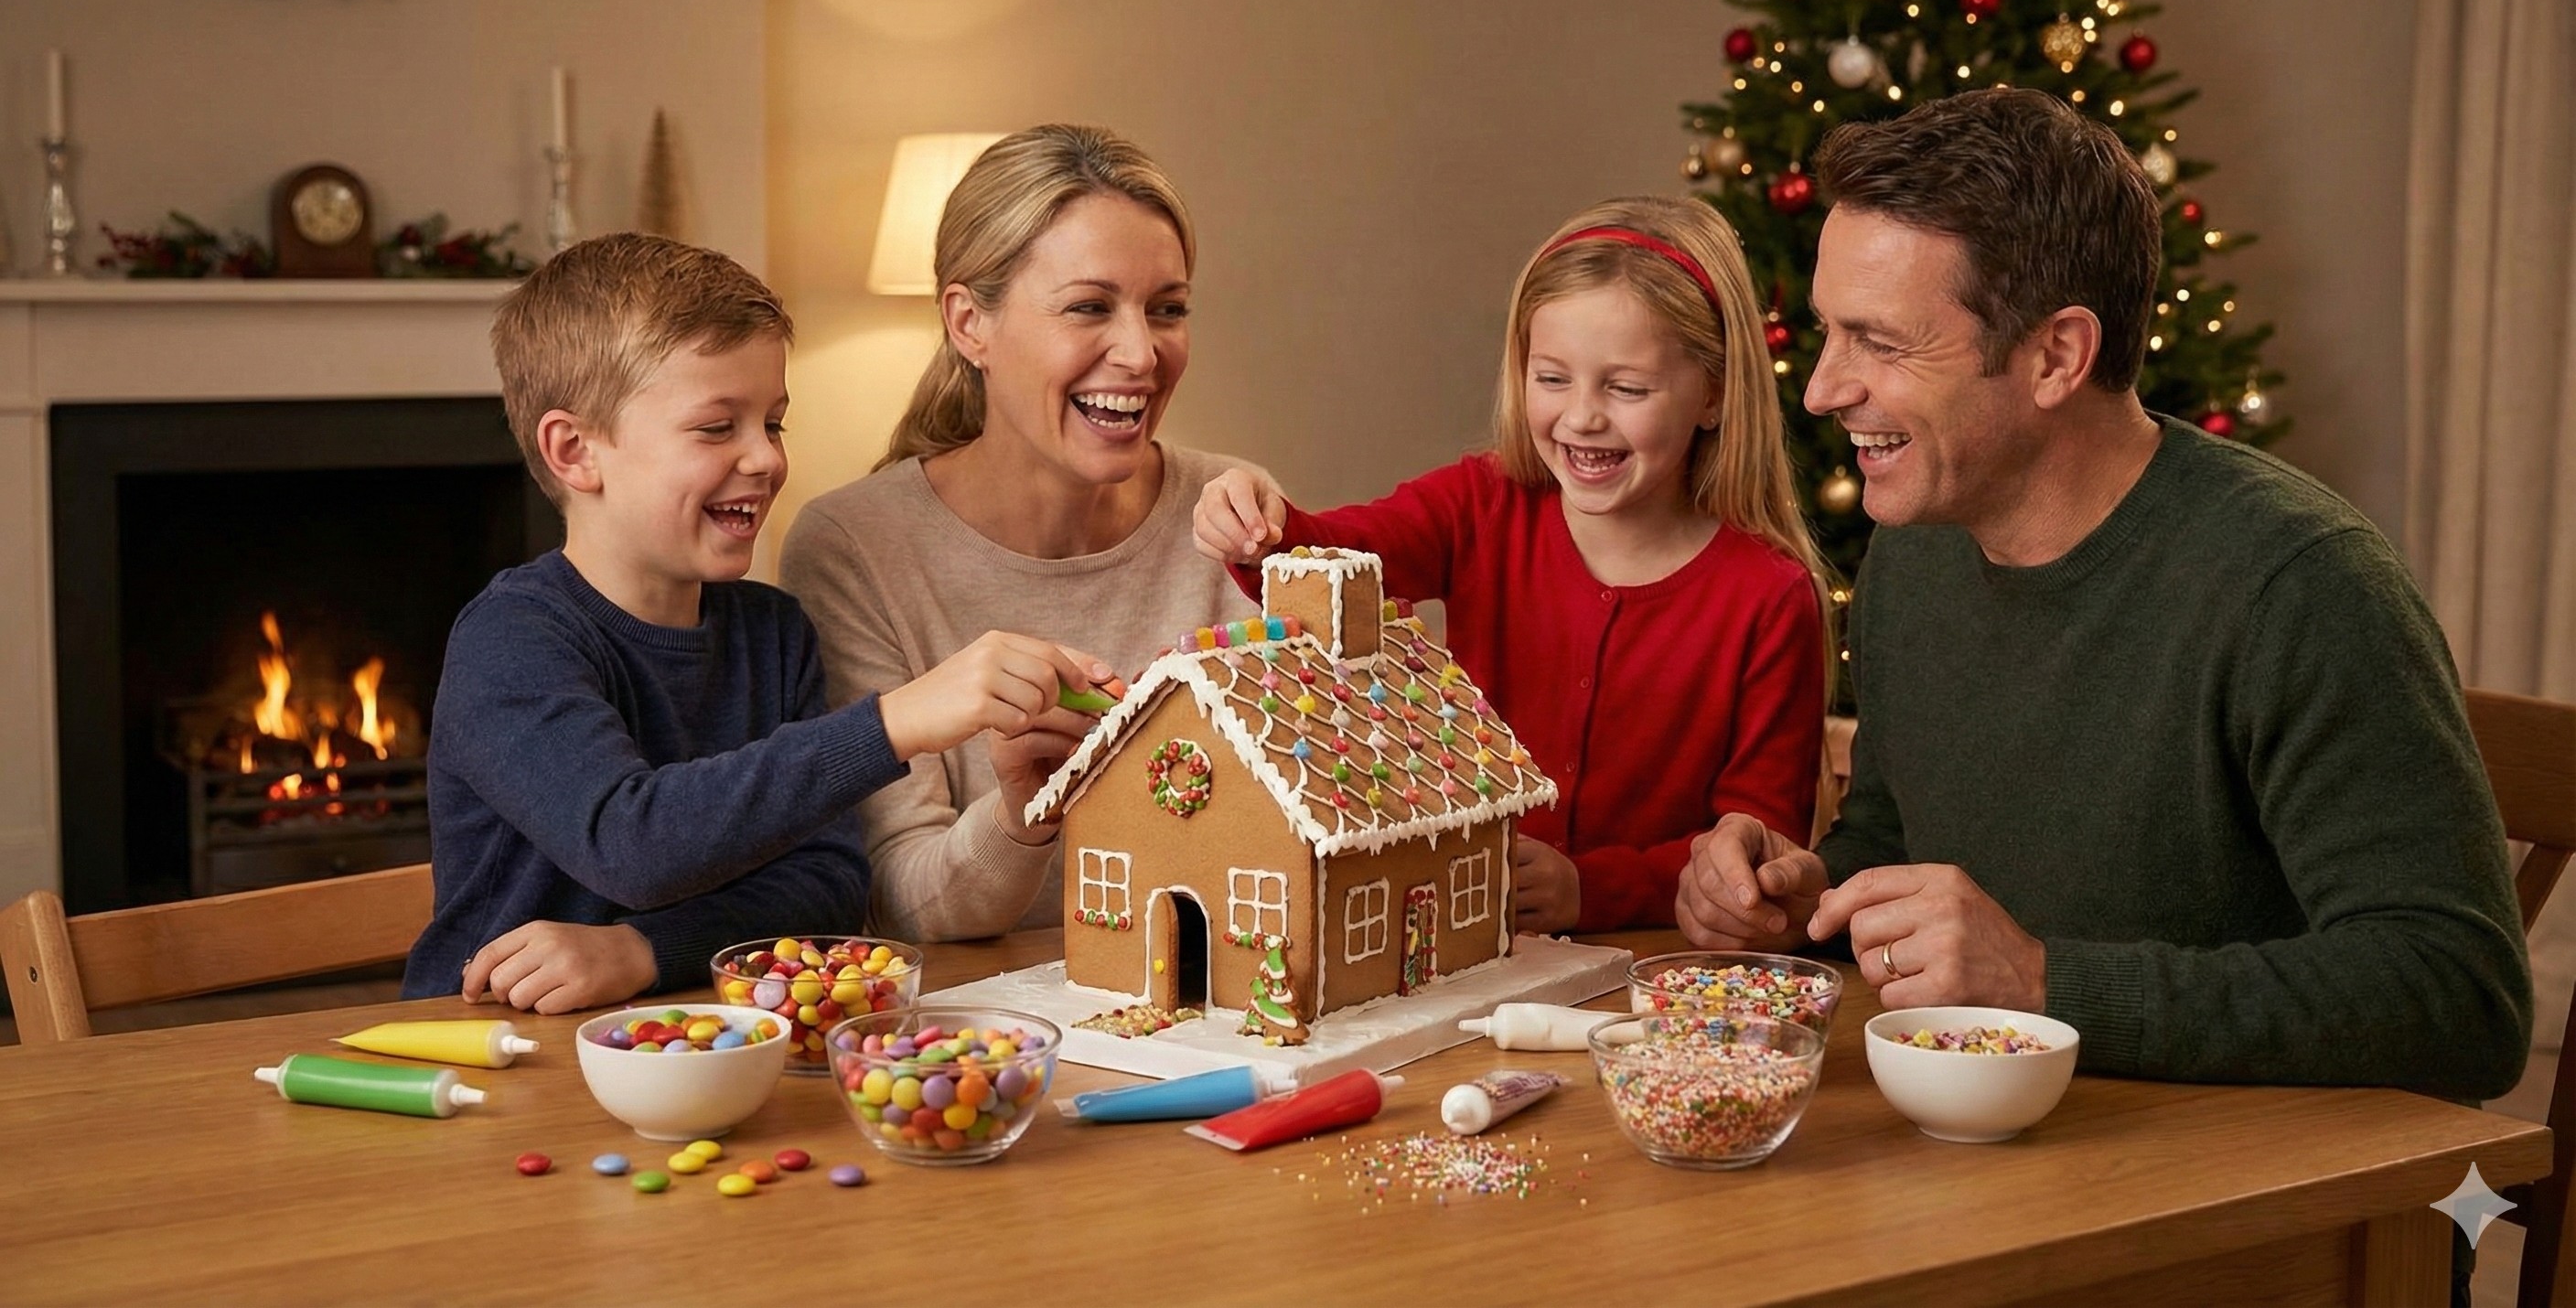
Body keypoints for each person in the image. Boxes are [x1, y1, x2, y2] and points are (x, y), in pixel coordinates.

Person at [1675, 89, 2530, 1104]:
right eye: (1828, 332)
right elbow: (1899, 841)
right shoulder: (1916, 553)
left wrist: (2044, 982)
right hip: (2009, 1140)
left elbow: (2461, 1000)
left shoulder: (2301, 586)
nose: (1821, 389)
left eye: (1882, 343)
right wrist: (1807, 897)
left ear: (2055, 357)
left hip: (2257, 1179)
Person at [405, 233, 1101, 1013]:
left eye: (773, 424)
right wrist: (894, 723)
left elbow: (828, 884)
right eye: (716, 428)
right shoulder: (511, 639)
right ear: (575, 451)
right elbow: (630, 842)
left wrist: (646, 950)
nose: (766, 459)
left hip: (702, 1031)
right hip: (489, 1043)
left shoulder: (773, 633)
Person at [1195, 196, 1829, 935]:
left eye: (1627, 388)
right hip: (1469, 949)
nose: (1582, 417)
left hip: (1655, 966)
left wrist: (1593, 890)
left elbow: (1757, 851)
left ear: (1713, 395)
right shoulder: (1482, 504)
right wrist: (1259, 523)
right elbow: (1334, 552)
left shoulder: (1770, 596)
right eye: (1552, 378)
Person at [781, 124, 1254, 944]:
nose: (1142, 353)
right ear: (970, 323)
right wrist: (1019, 816)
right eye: (1089, 307)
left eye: (1167, 309)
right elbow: (898, 903)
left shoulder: (1230, 515)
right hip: (977, 1014)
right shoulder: (853, 547)